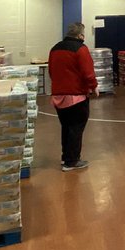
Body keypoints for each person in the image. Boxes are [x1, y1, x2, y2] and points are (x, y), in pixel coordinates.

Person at [48, 22, 99, 171]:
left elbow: (51, 71)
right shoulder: (81, 49)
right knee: (76, 128)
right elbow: (88, 71)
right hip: (76, 96)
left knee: (66, 127)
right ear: (80, 35)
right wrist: (94, 86)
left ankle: (66, 157)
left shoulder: (55, 48)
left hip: (58, 96)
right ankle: (72, 161)